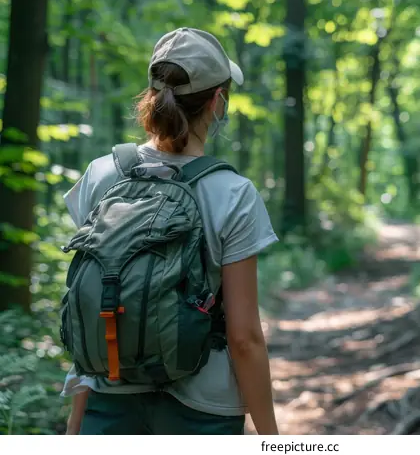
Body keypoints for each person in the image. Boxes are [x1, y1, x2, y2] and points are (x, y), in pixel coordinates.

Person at [60, 27, 280, 435]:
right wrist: (272, 439)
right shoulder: (233, 193)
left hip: (109, 398)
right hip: (204, 410)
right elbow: (245, 337)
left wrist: (76, 425)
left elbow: (90, 301)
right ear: (217, 101)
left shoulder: (101, 174)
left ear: (152, 94)